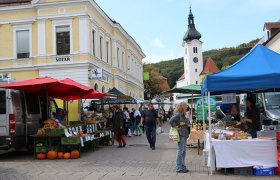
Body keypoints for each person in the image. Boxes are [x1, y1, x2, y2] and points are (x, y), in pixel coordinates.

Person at [169, 102, 191, 173]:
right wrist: (176, 127)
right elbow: (171, 121)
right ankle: (179, 168)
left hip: (184, 134)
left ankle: (183, 166)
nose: (186, 108)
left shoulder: (183, 114)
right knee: (180, 151)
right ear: (182, 107)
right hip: (181, 134)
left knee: (183, 152)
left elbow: (183, 123)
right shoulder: (178, 114)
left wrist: (186, 122)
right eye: (185, 106)